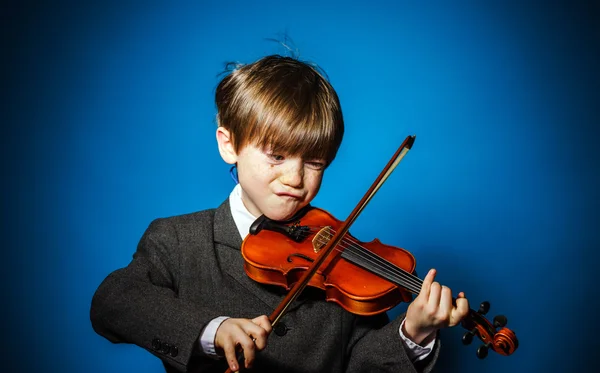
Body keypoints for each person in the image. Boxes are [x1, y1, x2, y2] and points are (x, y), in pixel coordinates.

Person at [90, 54, 469, 373]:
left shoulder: (341, 258)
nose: (295, 178)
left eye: (315, 162)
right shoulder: (176, 241)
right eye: (276, 155)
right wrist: (213, 330)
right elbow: (113, 301)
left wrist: (413, 334)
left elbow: (361, 363)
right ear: (229, 145)